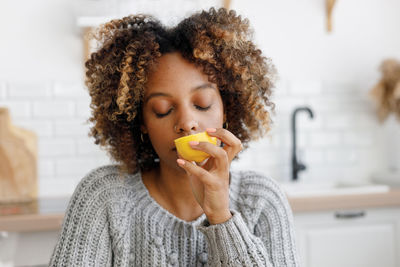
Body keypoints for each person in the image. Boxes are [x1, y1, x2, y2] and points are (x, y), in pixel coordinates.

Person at [49, 7, 300, 267]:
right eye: (163, 110)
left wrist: (221, 218)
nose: (186, 123)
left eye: (202, 104)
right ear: (142, 122)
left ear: (227, 107)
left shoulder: (262, 199)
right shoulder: (103, 196)